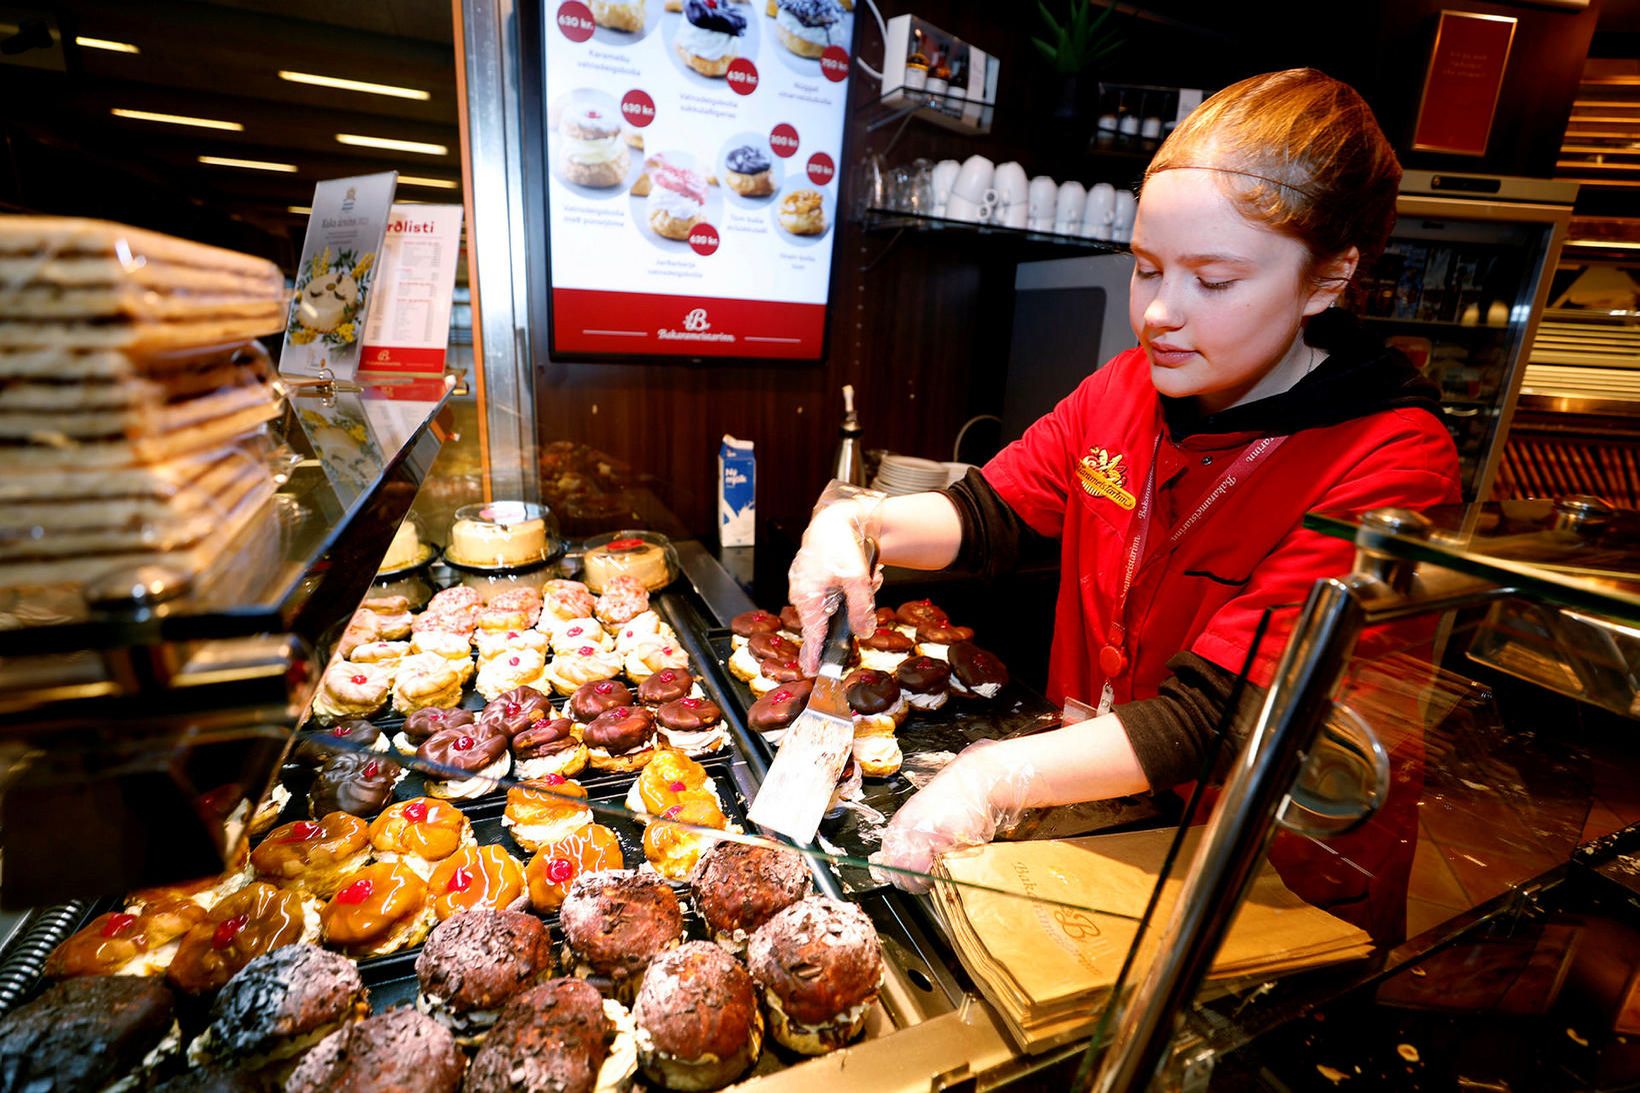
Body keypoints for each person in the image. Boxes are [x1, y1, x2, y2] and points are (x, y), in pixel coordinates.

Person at [787, 69, 1462, 931]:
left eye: (1213, 281)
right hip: (1100, 819)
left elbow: (1220, 715)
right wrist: (859, 520)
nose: (1159, 313)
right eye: (1146, 269)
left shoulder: (1394, 456)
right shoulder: (1126, 388)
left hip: (1258, 871)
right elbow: (987, 516)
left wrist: (994, 773)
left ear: (1329, 279)